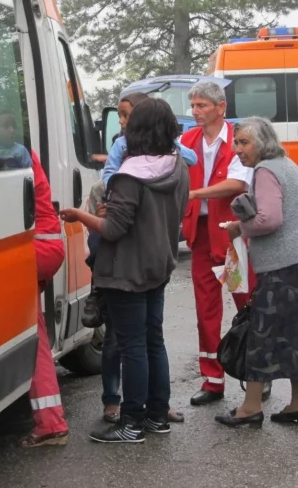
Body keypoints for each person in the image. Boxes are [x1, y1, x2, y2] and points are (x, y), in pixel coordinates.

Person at [60, 98, 189, 443]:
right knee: (153, 341)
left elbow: (114, 229)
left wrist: (81, 215)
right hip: (159, 264)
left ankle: (131, 422)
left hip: (126, 270)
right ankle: (157, 417)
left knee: (132, 347)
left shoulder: (129, 175)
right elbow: (170, 212)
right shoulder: (177, 166)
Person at [217, 116, 298, 427]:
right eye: (236, 142)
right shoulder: (287, 164)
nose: (237, 149)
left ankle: (251, 407)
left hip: (285, 267)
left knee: (262, 335)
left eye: (244, 143)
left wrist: (238, 227)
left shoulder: (266, 170)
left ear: (262, 142)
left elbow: (269, 220)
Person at [179, 81, 269, 406]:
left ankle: (258, 372)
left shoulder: (238, 140)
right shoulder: (186, 139)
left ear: (221, 108)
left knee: (245, 302)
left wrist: (192, 194)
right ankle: (212, 380)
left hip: (230, 235)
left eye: (202, 105)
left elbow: (237, 182)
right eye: (193, 106)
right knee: (206, 310)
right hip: (201, 235)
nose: (195, 112)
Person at [18, 149, 69, 448]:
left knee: (33, 333)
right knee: (33, 329)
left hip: (35, 248)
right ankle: (51, 421)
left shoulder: (4, 154)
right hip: (48, 245)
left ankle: (51, 423)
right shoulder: (25, 152)